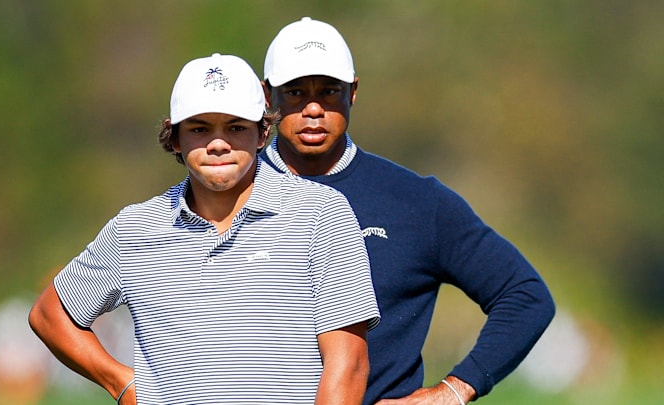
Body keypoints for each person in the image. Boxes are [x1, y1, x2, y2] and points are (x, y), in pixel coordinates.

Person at [28, 52, 381, 405]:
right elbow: (49, 315)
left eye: (236, 127)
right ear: (175, 138)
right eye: (199, 128)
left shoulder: (319, 213)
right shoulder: (136, 228)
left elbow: (347, 363)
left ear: (262, 133)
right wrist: (122, 384)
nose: (218, 143)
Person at [259, 17, 556, 405]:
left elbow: (526, 296)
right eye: (295, 92)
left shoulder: (415, 202)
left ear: (354, 92)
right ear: (268, 97)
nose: (314, 108)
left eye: (330, 91)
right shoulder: (229, 196)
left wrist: (450, 392)